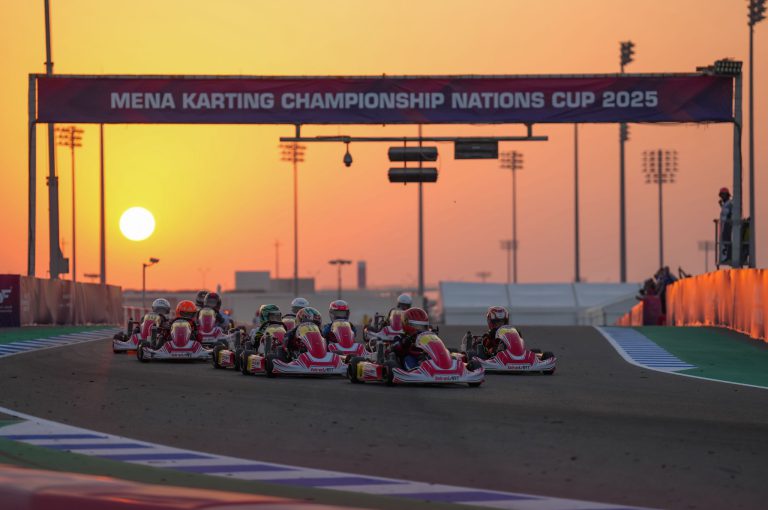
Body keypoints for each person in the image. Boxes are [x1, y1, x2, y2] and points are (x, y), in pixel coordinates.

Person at [718, 187, 733, 265]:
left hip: (727, 226)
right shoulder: (726, 204)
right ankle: (726, 257)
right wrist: (721, 205)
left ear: (727, 195)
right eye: (721, 195)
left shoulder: (729, 204)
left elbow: (729, 214)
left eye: (723, 195)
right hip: (723, 227)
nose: (722, 197)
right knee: (724, 242)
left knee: (727, 241)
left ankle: (728, 257)